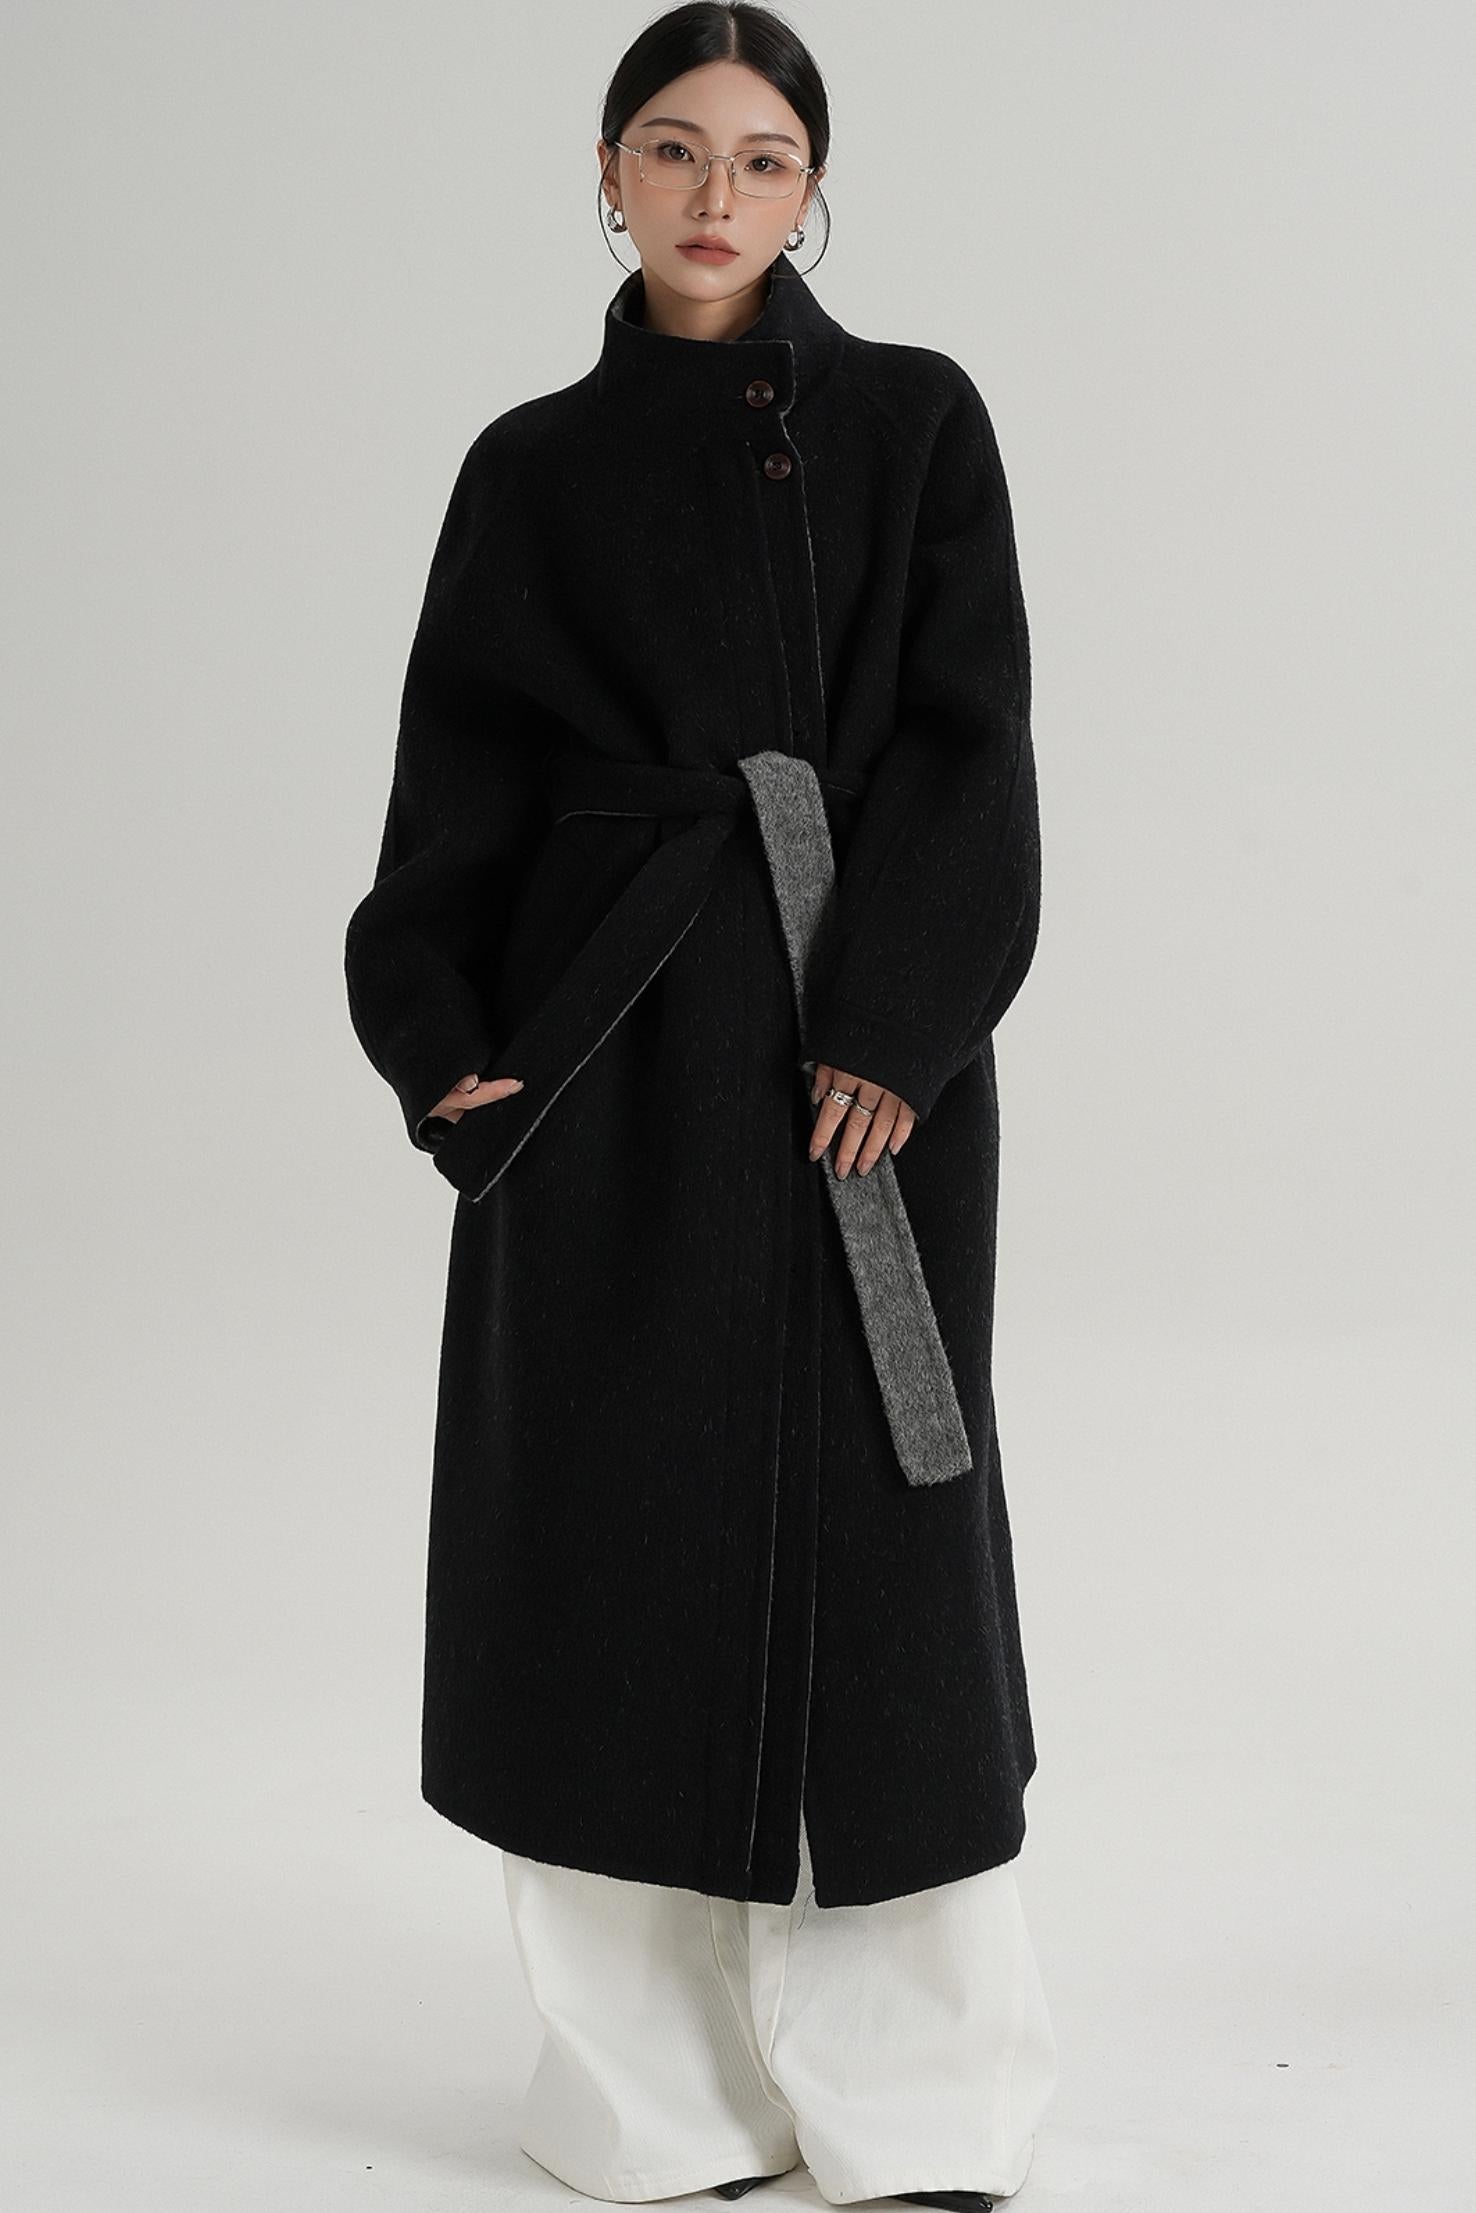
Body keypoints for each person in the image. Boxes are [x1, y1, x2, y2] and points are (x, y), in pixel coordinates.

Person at [344, 5, 1056, 2205]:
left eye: (762, 157)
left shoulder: (918, 420)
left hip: (854, 1067)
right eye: (673, 149)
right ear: (607, 171)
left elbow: (971, 744)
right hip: (608, 1060)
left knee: (885, 1572)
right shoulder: (528, 464)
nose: (716, 194)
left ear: (813, 188)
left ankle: (919, 2105)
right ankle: (648, 2106)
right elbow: (456, 779)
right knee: (604, 1555)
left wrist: (897, 1024)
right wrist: (442, 1040)